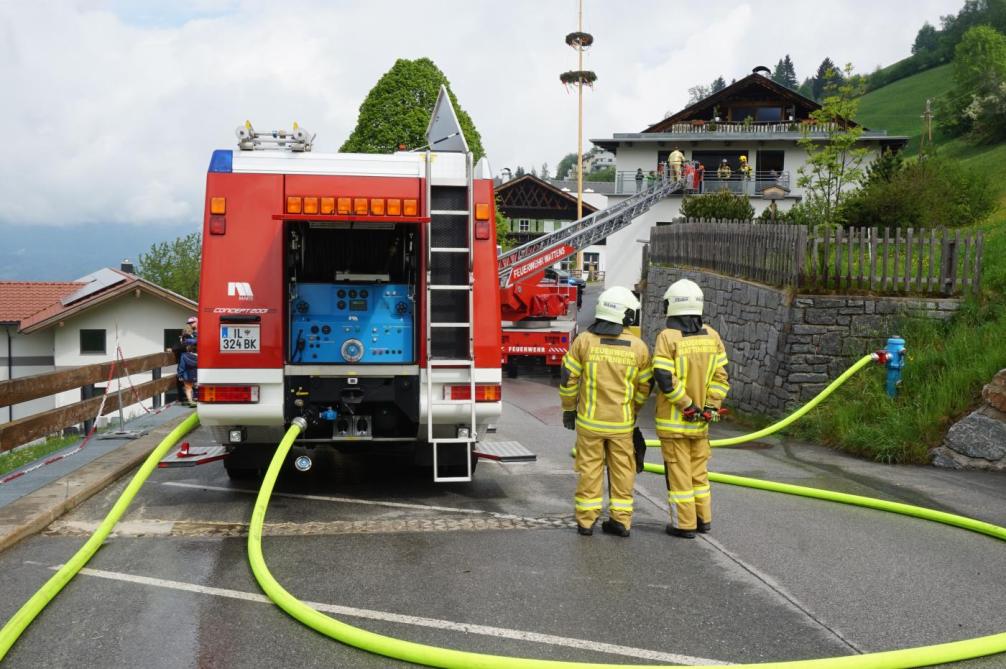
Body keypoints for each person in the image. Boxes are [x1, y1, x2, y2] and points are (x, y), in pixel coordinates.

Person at [560, 287, 652, 537]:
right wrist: (633, 409)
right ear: (624, 314)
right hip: (622, 425)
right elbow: (645, 386)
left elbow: (568, 380)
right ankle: (621, 521)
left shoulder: (584, 342)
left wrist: (569, 410)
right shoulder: (638, 347)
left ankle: (586, 522)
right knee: (623, 471)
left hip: (590, 423)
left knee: (590, 471)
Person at [651, 279, 730, 539]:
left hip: (676, 423)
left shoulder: (668, 337)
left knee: (680, 475)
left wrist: (688, 406)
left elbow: (664, 378)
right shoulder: (712, 336)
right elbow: (721, 378)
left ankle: (684, 525)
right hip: (701, 423)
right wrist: (709, 406)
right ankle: (703, 519)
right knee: (699, 473)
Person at [177, 337, 198, 408]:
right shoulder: (199, 356)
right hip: (196, 373)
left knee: (188, 388)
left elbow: (182, 366)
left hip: (187, 374)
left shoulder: (184, 355)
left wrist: (180, 374)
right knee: (196, 386)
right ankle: (196, 399)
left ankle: (191, 401)